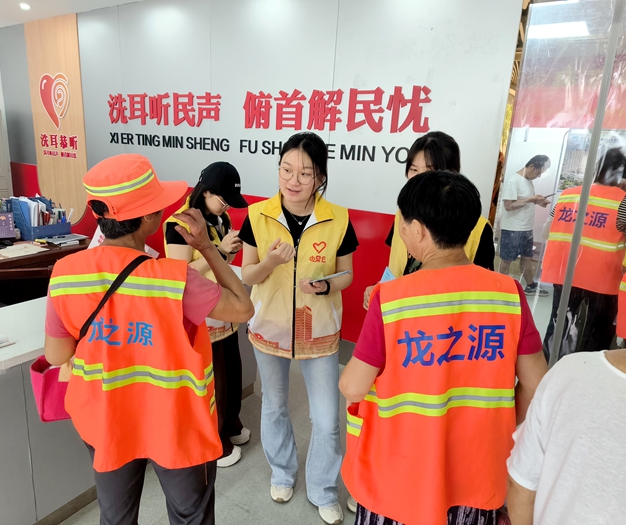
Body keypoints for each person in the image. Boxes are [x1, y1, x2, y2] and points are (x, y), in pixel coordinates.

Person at [44, 154, 254, 525]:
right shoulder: (175, 280)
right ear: (147, 219)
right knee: (190, 515)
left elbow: (57, 353)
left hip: (106, 420)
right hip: (175, 425)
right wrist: (208, 248)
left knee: (116, 518)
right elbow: (242, 307)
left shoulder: (66, 273)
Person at [340, 171, 547, 525]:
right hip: (478, 469)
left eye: (403, 222)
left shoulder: (391, 298)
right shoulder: (508, 294)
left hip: (400, 472)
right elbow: (536, 383)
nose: (400, 230)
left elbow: (353, 386)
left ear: (419, 230)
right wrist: (503, 425)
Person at [239, 132, 359, 525]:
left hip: (318, 330)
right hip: (269, 327)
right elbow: (247, 274)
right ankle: (282, 472)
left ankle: (323, 489)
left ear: (320, 177)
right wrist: (270, 263)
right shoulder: (257, 215)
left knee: (326, 418)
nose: (293, 181)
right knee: (273, 405)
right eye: (286, 170)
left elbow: (346, 275)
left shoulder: (338, 218)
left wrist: (326, 285)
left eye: (305, 173)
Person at [507, 277, 626, 524]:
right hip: (600, 282)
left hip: (580, 281)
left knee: (564, 320)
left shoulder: (569, 375)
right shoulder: (507, 293)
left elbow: (521, 488)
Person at [165, 161, 250, 468]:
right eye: (223, 200)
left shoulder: (220, 218)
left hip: (224, 309)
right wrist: (219, 251)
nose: (226, 207)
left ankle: (231, 423)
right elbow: (179, 274)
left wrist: (228, 250)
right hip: (201, 315)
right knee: (215, 382)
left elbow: (221, 262)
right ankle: (216, 442)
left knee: (232, 373)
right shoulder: (178, 224)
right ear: (206, 192)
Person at [364, 131, 495, 310]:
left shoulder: (478, 228)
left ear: (451, 175)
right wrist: (379, 288)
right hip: (399, 312)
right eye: (414, 170)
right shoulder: (402, 215)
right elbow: (396, 269)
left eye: (430, 171)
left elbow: (482, 291)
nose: (418, 179)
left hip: (442, 320)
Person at [541, 148, 626, 357]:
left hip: (563, 273)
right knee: (598, 331)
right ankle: (588, 368)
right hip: (604, 280)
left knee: (558, 324)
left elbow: (545, 232)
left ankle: (550, 365)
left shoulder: (568, 195)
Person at [498, 155, 551, 297]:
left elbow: (523, 202)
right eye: (538, 172)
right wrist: (530, 199)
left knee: (526, 257)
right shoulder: (513, 180)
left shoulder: (528, 181)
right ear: (532, 166)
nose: (539, 176)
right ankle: (500, 288)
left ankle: (531, 286)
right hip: (512, 228)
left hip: (526, 228)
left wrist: (537, 201)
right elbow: (509, 206)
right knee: (507, 260)